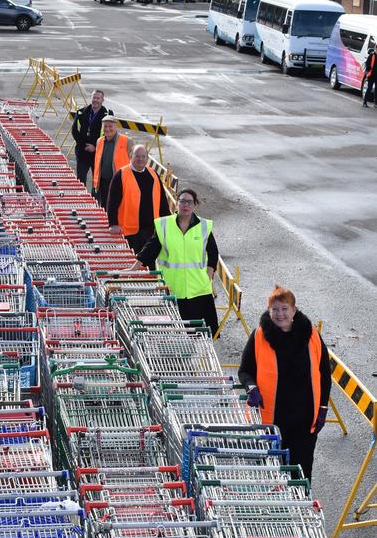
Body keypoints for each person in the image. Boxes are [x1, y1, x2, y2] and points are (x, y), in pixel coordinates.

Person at [238, 284, 331, 481]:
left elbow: (324, 374)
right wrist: (251, 388)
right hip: (271, 421)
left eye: (285, 309)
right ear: (269, 310)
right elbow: (245, 371)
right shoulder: (259, 336)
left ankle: (301, 508)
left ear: (294, 310)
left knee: (300, 471)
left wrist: (322, 407)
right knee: (271, 474)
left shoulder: (312, 336)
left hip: (304, 420)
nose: (280, 314)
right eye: (275, 309)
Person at [129, 187, 219, 336]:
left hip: (198, 290)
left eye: (189, 202)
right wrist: (133, 268)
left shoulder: (204, 226)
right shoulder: (165, 225)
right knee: (175, 333)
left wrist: (208, 277)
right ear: (176, 204)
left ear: (194, 205)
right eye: (182, 201)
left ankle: (196, 358)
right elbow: (150, 249)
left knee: (199, 334)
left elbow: (213, 254)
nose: (185, 205)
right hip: (172, 289)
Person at [106, 144, 170, 255]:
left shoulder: (153, 175)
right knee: (131, 264)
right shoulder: (121, 175)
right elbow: (112, 202)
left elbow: (162, 202)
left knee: (148, 265)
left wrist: (168, 222)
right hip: (129, 232)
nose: (140, 159)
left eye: (143, 156)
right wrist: (113, 224)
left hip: (151, 230)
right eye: (137, 156)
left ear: (147, 158)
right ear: (131, 156)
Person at [71, 90, 111, 186]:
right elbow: (75, 131)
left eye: (98, 98)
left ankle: (96, 200)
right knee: (81, 181)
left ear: (102, 100)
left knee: (97, 183)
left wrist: (95, 147)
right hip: (83, 152)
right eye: (94, 98)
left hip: (98, 154)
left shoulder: (108, 114)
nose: (95, 100)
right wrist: (84, 146)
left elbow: (109, 135)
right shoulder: (81, 113)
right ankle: (82, 200)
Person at [92, 117, 131, 208]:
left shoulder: (127, 141)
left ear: (116, 126)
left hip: (118, 182)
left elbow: (133, 163)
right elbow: (97, 163)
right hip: (103, 182)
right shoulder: (99, 141)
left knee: (117, 207)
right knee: (105, 206)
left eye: (110, 126)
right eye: (105, 126)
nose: (107, 129)